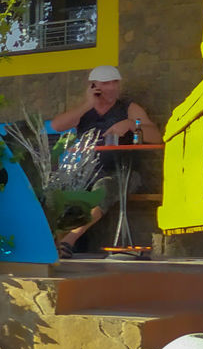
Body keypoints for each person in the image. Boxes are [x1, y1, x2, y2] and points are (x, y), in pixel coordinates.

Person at [48, 65, 161, 258]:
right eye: (106, 83)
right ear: (94, 86)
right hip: (85, 172)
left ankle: (68, 241)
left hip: (121, 171)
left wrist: (130, 124)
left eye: (115, 83)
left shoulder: (128, 108)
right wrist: (88, 104)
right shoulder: (85, 110)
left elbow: (156, 137)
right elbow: (57, 125)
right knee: (55, 190)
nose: (112, 87)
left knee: (104, 188)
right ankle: (52, 242)